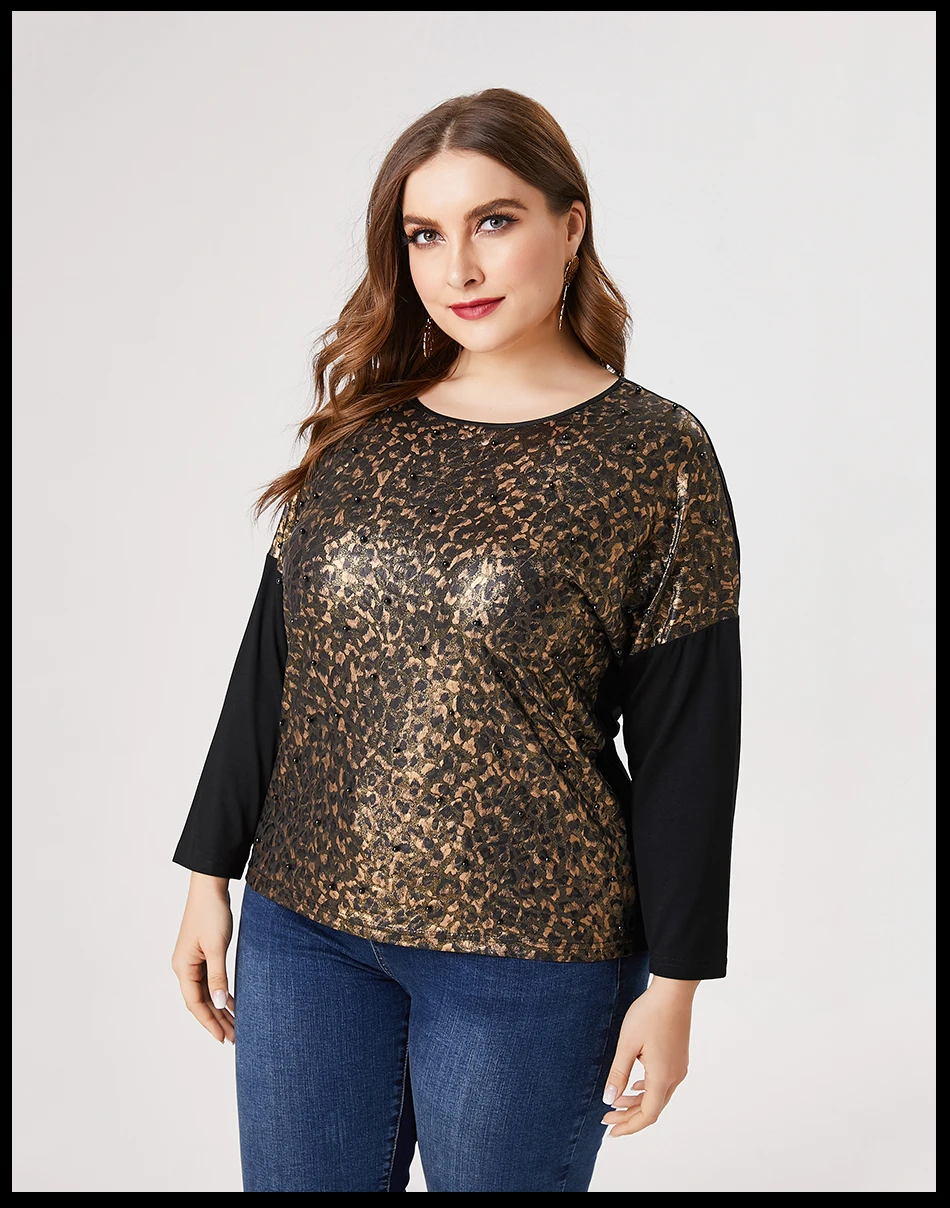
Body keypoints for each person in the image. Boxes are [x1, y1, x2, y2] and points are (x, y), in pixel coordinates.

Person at [171, 87, 741, 1194]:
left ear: (570, 225)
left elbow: (689, 742)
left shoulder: (652, 452)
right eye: (424, 234)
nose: (459, 267)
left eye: (494, 221)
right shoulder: (366, 428)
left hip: (531, 954)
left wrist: (676, 982)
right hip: (305, 931)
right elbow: (275, 666)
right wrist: (208, 872)